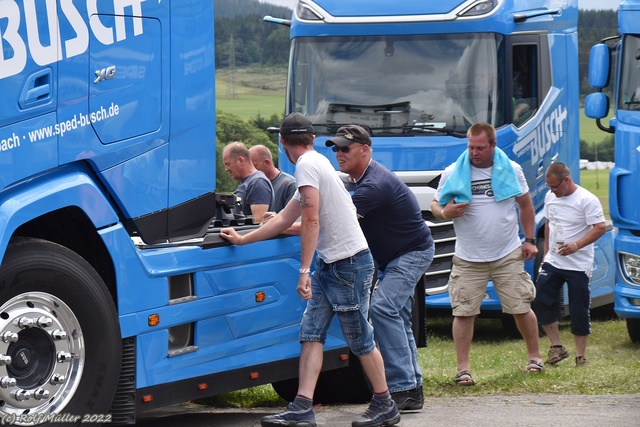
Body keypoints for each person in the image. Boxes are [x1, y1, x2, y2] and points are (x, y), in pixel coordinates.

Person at [220, 113, 400, 427]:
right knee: (311, 334)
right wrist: (243, 239)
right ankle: (302, 407)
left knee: (359, 338)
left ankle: (385, 403)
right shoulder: (316, 163)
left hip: (348, 264)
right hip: (335, 264)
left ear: (282, 142)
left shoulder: (305, 165)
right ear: (313, 139)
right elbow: (283, 219)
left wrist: (304, 270)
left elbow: (312, 221)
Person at [325, 124, 434, 411]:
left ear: (365, 150)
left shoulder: (373, 186)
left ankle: (402, 387)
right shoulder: (358, 179)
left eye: (345, 148)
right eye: (336, 148)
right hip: (394, 256)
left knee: (382, 309)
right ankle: (412, 388)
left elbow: (333, 221)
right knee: (396, 314)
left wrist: (286, 227)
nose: (339, 153)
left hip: (411, 253)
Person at [429, 122, 543, 386]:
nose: (474, 153)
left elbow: (525, 206)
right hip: (468, 256)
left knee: (521, 306)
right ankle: (463, 370)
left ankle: (535, 358)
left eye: (480, 148)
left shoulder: (511, 169)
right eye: (471, 147)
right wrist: (446, 213)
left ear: (493, 145)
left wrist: (529, 240)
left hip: (507, 252)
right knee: (463, 311)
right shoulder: (453, 172)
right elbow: (436, 205)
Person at [532, 162, 606, 367]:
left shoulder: (586, 199)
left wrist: (577, 245)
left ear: (567, 180)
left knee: (578, 307)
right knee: (541, 300)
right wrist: (545, 253)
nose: (552, 191)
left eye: (555, 187)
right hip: (554, 261)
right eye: (549, 187)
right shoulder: (550, 197)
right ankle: (557, 347)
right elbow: (549, 224)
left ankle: (581, 356)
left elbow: (599, 227)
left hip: (579, 264)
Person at [222, 141, 274, 223]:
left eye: (228, 164)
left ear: (240, 161)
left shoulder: (257, 182)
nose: (226, 169)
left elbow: (258, 223)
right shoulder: (248, 182)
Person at [249, 144, 297, 212]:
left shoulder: (289, 184)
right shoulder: (252, 184)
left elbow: (292, 216)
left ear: (266, 163)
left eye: (255, 166)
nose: (252, 171)